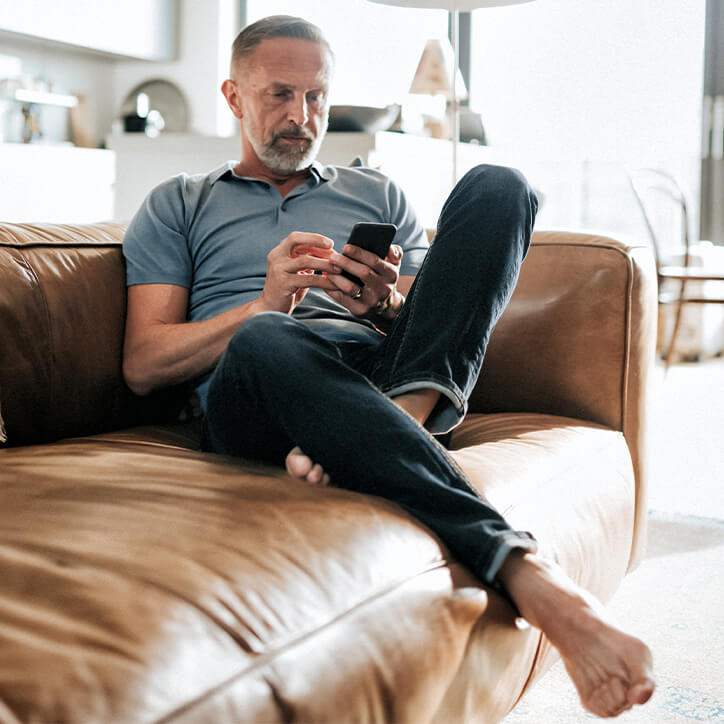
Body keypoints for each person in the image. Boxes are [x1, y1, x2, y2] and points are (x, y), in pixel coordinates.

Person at [122, 15, 655, 718]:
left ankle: (395, 420)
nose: (300, 116)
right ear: (232, 96)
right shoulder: (179, 203)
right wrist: (264, 304)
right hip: (262, 387)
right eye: (279, 94)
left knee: (500, 185)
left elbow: (442, 319)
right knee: (270, 342)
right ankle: (525, 571)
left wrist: (387, 303)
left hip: (374, 365)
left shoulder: (377, 194)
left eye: (316, 97)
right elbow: (142, 364)